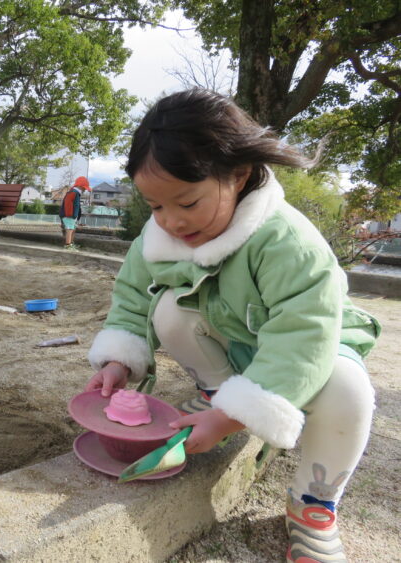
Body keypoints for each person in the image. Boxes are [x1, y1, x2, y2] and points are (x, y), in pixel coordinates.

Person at [84, 89, 379, 562]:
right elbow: (134, 299)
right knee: (168, 309)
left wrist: (235, 417)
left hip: (312, 352)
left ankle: (313, 506)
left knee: (349, 391)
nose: (171, 222)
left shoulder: (286, 241)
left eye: (187, 202)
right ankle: (217, 393)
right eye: (155, 206)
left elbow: (303, 337)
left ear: (238, 175)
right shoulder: (160, 237)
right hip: (238, 342)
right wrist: (119, 360)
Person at [59, 176, 90, 250]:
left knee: (72, 229)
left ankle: (71, 244)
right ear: (80, 186)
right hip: (69, 216)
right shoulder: (73, 192)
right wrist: (70, 215)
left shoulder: (75, 193)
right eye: (84, 188)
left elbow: (76, 205)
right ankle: (68, 245)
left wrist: (76, 216)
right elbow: (68, 204)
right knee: (70, 229)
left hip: (72, 216)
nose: (85, 189)